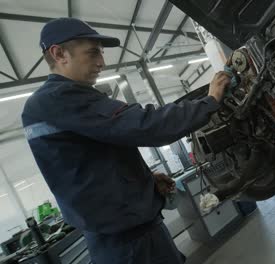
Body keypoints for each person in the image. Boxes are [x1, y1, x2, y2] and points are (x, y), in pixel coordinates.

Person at [21, 17, 231, 263]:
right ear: (59, 54)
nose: (101, 62)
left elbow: (87, 164)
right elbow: (145, 125)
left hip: (129, 235)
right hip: (128, 246)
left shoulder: (55, 104)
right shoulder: (59, 98)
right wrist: (210, 101)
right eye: (92, 53)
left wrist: (143, 180)